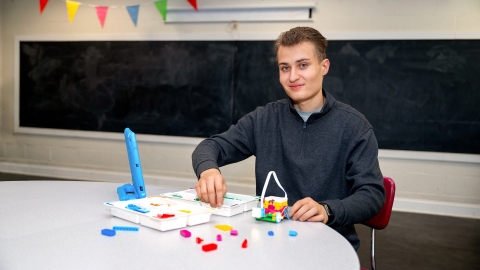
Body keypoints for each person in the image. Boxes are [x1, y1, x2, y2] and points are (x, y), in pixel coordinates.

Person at [191, 26, 385, 250]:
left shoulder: (355, 126)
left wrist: (327, 210)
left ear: (324, 67)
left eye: (303, 65)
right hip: (269, 243)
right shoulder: (264, 119)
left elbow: (372, 195)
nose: (293, 77)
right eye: (285, 68)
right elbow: (210, 146)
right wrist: (208, 169)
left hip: (329, 247)